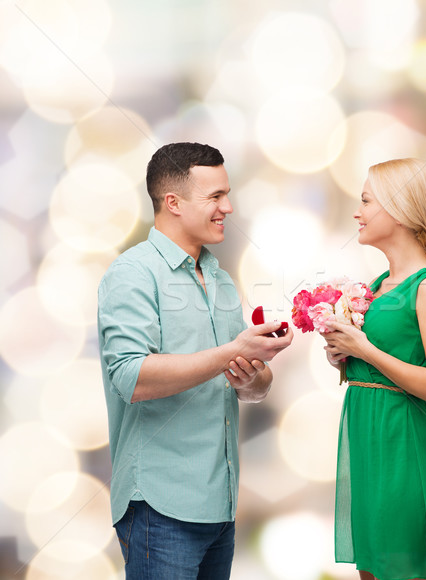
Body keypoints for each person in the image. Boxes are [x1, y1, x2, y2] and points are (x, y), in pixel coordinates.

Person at [97, 142, 293, 579]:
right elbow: (131, 377)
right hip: (160, 506)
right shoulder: (133, 274)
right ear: (173, 203)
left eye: (228, 193)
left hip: (219, 504)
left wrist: (254, 370)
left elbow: (250, 386)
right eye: (215, 197)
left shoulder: (220, 278)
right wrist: (232, 352)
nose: (228, 206)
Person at [322, 158, 426, 580]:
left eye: (366, 201)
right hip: (368, 448)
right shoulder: (379, 284)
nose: (357, 212)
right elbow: (384, 366)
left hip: (403, 449)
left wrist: (364, 348)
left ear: (400, 211)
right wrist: (343, 357)